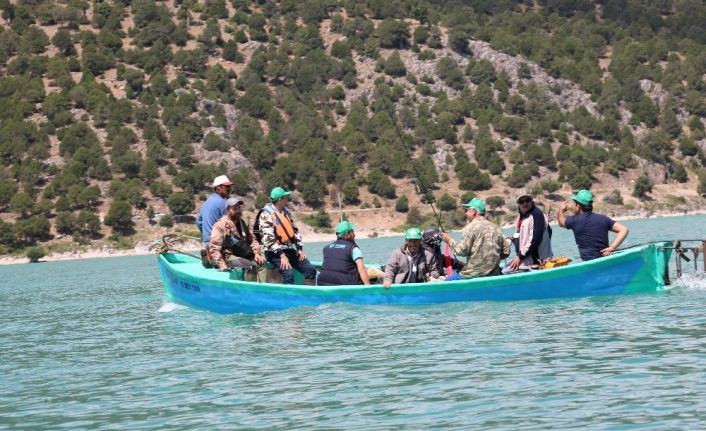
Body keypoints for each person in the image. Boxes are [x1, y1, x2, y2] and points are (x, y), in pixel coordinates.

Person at [255, 186, 317, 284]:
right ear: (280, 200)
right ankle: (287, 298)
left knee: (310, 270)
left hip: (288, 250)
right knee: (288, 274)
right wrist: (282, 256)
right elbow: (268, 240)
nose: (286, 200)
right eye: (285, 198)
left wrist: (299, 249)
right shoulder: (266, 215)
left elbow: (295, 231)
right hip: (274, 253)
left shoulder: (286, 213)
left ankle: (307, 296)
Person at [441, 198, 510, 279]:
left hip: (472, 275)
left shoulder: (470, 227)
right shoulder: (496, 228)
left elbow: (461, 251)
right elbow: (506, 252)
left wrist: (449, 240)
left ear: (473, 211)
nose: (465, 213)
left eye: (467, 210)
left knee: (448, 282)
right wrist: (491, 259)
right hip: (494, 274)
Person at [558, 189, 629, 261]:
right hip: (605, 259)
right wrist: (612, 248)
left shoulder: (574, 220)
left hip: (587, 261)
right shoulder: (603, 219)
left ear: (578, 205)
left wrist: (561, 210)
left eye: (574, 203)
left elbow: (561, 222)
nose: (573, 206)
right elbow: (624, 230)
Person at [208, 197, 266, 271]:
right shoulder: (220, 225)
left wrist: (257, 253)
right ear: (228, 210)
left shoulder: (242, 223)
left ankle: (261, 282)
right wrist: (223, 266)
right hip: (228, 257)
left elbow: (252, 240)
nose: (238, 211)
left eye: (239, 208)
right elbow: (214, 248)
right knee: (249, 266)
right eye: (235, 209)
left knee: (262, 262)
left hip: (243, 254)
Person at [503, 195, 553, 274]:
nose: (525, 203)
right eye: (521, 201)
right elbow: (518, 234)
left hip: (535, 262)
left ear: (532, 201)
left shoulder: (537, 215)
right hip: (524, 259)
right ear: (518, 204)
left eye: (527, 200)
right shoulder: (521, 217)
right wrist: (512, 239)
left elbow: (535, 240)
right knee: (504, 270)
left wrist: (520, 256)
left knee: (505, 272)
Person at [317, 221, 370, 286]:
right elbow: (361, 269)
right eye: (352, 232)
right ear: (347, 235)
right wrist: (368, 287)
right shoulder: (353, 249)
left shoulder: (326, 248)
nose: (354, 235)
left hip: (323, 283)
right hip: (345, 285)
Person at [196, 175, 233, 248]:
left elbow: (198, 221)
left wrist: (207, 235)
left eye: (229, 186)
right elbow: (230, 225)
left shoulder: (207, 202)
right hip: (218, 244)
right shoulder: (223, 203)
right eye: (226, 186)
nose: (229, 189)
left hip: (207, 244)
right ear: (218, 188)